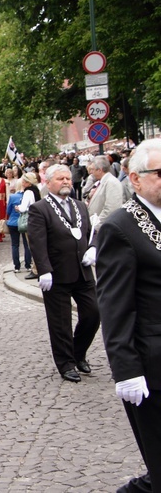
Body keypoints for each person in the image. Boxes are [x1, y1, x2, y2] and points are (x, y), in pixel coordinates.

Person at [96, 138, 161, 493]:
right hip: (152, 367)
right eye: (159, 173)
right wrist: (127, 370)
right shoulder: (120, 227)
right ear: (135, 179)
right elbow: (114, 304)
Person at [27, 164, 100, 383]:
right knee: (60, 323)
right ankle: (66, 363)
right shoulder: (40, 209)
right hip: (56, 274)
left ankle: (78, 353)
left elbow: (92, 231)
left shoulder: (80, 205)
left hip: (82, 272)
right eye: (60, 179)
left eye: (68, 178)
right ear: (48, 183)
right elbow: (37, 242)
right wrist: (44, 270)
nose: (66, 182)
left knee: (93, 313)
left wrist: (93, 247)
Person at [86, 155, 124, 232]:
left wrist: (95, 227)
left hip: (104, 229)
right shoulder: (102, 182)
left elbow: (111, 208)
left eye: (93, 169)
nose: (91, 172)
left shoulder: (112, 183)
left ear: (100, 170)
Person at [6, 180, 32, 273]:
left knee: (15, 245)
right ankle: (28, 264)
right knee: (27, 244)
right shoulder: (29, 196)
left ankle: (17, 266)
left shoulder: (13, 197)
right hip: (25, 222)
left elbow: (8, 211)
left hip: (13, 222)